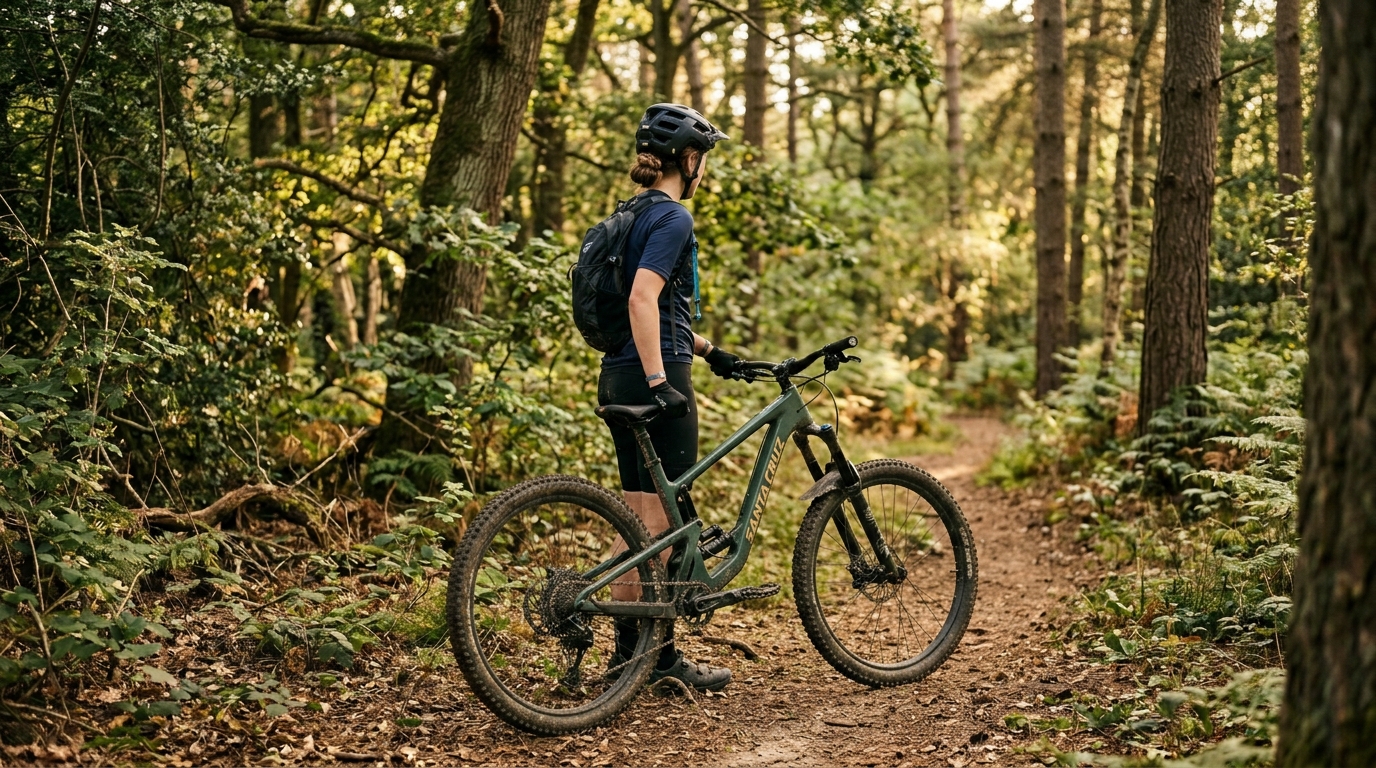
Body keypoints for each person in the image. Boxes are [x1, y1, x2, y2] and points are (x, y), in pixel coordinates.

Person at [599, 104, 742, 692]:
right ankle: (651, 662)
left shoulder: (631, 213)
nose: (702, 167)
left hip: (618, 372)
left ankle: (632, 659)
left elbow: (663, 308)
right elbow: (641, 299)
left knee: (640, 518)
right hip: (653, 376)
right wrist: (663, 381)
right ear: (688, 159)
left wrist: (709, 351)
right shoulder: (674, 218)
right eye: (702, 157)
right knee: (664, 521)